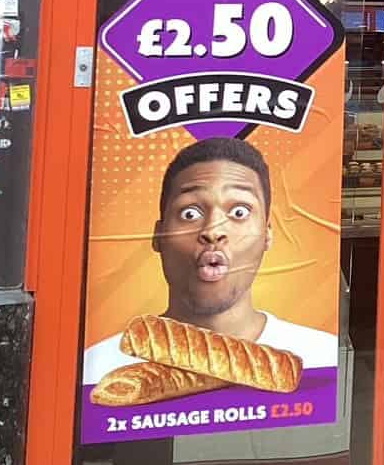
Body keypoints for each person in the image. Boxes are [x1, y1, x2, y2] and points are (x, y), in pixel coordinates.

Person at [82, 134, 338, 384]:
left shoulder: (319, 358)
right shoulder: (102, 370)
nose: (213, 231)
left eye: (239, 212)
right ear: (158, 235)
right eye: (190, 213)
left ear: (267, 235)